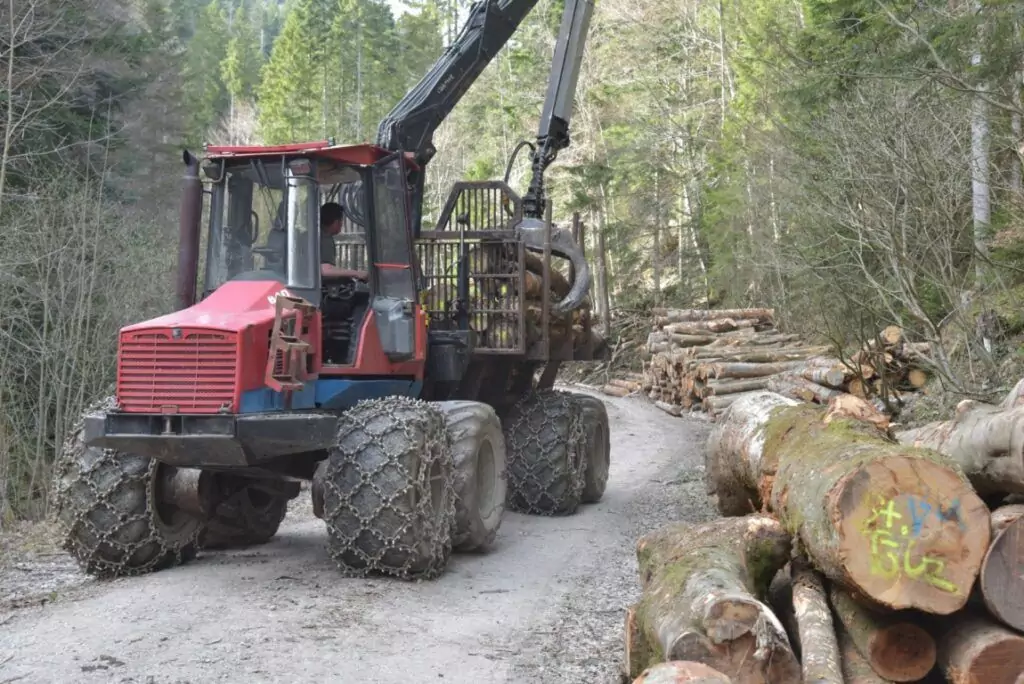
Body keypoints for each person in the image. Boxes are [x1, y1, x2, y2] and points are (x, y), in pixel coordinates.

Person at [319, 201, 366, 279]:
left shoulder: (316, 235)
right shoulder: (324, 240)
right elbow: (324, 269)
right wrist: (357, 273)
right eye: (341, 220)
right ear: (337, 222)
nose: (342, 224)